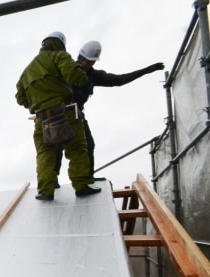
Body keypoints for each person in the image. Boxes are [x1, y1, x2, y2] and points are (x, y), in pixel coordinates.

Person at [54, 41, 165, 182]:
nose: (90, 65)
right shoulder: (66, 69)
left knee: (89, 145)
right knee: (57, 145)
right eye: (88, 61)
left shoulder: (94, 76)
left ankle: (88, 176)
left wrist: (147, 70)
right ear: (81, 57)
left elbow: (119, 80)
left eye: (93, 62)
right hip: (60, 113)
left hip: (77, 115)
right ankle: (53, 179)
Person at [15, 31, 101, 201]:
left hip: (42, 119)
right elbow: (74, 75)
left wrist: (37, 104)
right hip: (66, 112)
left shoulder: (28, 70)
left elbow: (20, 98)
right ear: (61, 43)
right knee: (76, 149)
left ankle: (46, 191)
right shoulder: (59, 56)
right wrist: (85, 83)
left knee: (45, 153)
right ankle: (81, 185)